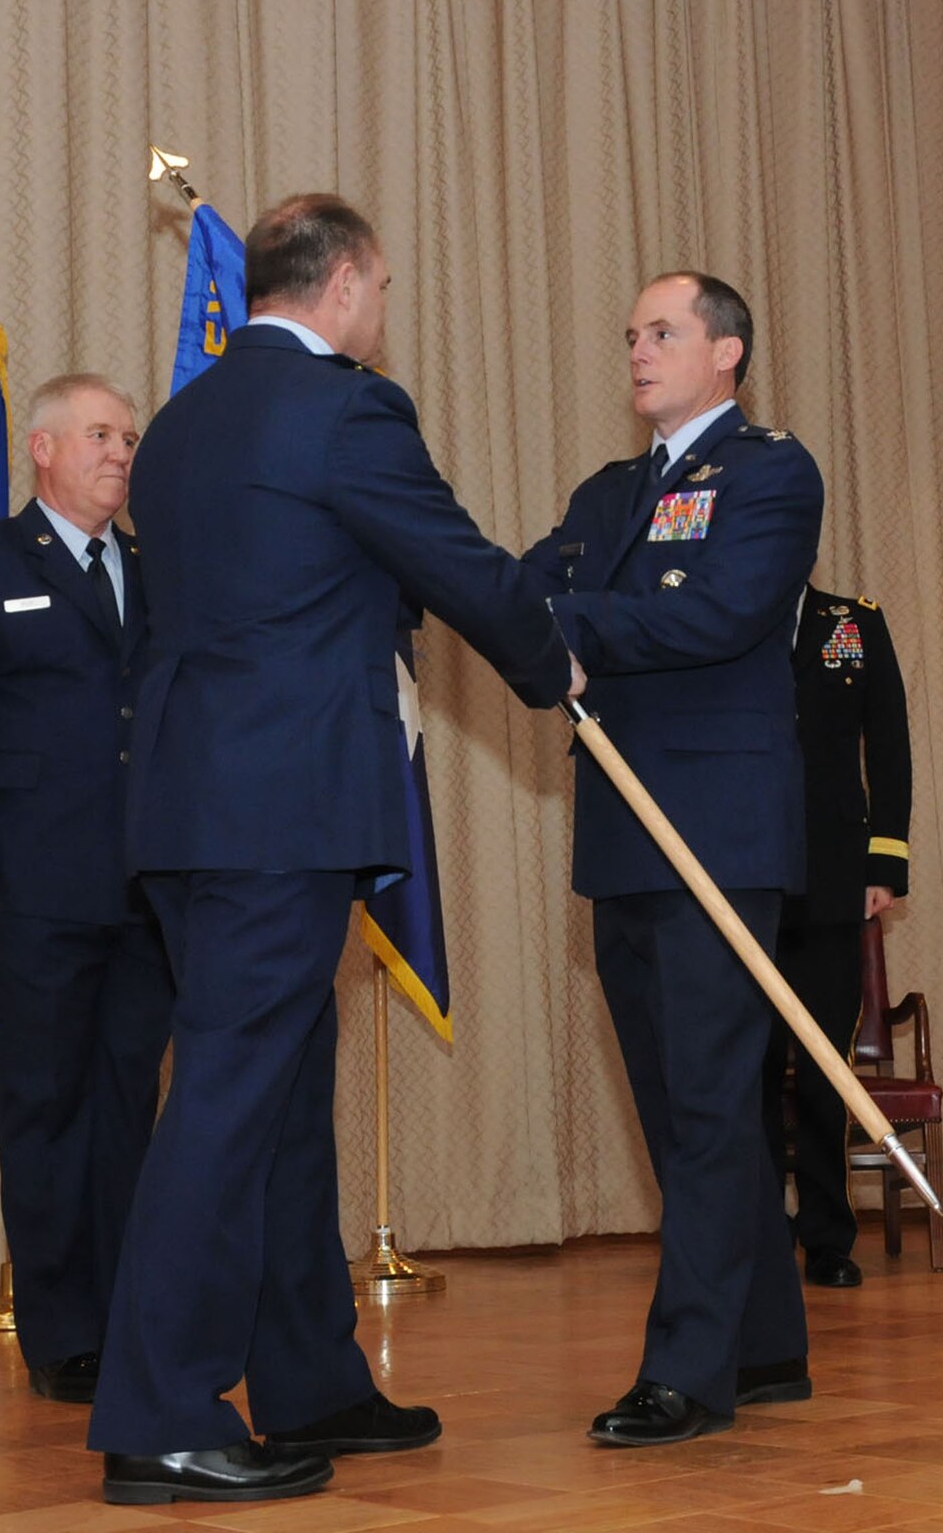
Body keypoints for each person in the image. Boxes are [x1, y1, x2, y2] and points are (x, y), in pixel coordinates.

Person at [90, 193, 579, 1505]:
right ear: (350, 282)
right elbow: (459, 565)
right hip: (283, 809)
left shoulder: (184, 422)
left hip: (192, 813)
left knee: (281, 1094)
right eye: (383, 285)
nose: (383, 307)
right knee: (229, 1103)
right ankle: (159, 1415)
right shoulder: (351, 410)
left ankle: (306, 1378)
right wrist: (554, 663)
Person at [525, 271, 823, 1447]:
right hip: (622, 830)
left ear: (726, 352)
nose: (638, 351)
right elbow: (531, 585)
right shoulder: (607, 492)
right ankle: (765, 1344)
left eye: (661, 332)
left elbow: (719, 615)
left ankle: (686, 1372)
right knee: (676, 1107)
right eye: (631, 334)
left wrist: (571, 623)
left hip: (717, 833)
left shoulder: (767, 473)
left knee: (704, 1104)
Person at [0, 374, 175, 1406]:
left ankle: (124, 1318)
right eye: (102, 434)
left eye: (129, 437)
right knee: (46, 1108)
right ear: (44, 448)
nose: (121, 452)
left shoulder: (153, 567)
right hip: (31, 889)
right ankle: (63, 1334)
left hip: (144, 890)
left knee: (126, 1108)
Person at [770, 585, 912, 1289]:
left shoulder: (852, 622)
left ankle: (827, 1236)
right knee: (750, 1071)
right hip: (746, 877)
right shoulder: (723, 608)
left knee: (826, 1068)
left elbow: (887, 741)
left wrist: (885, 862)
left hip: (832, 878)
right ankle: (761, 1236)